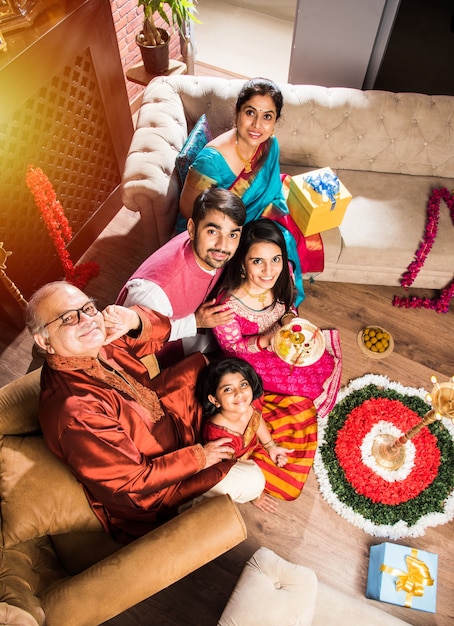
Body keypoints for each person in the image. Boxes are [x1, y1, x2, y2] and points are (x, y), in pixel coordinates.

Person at [25, 281, 265, 544]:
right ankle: (184, 511)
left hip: (161, 420)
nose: (87, 320)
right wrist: (201, 457)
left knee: (217, 369)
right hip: (154, 490)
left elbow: (152, 338)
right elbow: (134, 482)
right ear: (43, 340)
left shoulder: (98, 341)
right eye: (69, 318)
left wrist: (135, 319)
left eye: (88, 308)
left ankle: (214, 444)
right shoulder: (75, 411)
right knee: (254, 480)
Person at [178, 77, 324, 306]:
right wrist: (234, 232)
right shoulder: (211, 161)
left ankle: (279, 307)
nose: (257, 125)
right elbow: (187, 208)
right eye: (250, 112)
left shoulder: (269, 144)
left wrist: (263, 224)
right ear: (237, 112)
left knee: (282, 241)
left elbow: (272, 191)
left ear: (275, 121)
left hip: (257, 217)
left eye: (267, 116)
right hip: (219, 230)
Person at [210, 218, 342, 419]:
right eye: (257, 261)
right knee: (295, 384)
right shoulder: (226, 306)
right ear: (242, 264)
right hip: (251, 355)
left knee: (312, 359)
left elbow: (288, 305)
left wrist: (289, 319)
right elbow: (232, 348)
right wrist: (266, 340)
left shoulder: (283, 272)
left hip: (283, 337)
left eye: (275, 259)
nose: (269, 271)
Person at [116, 187, 246, 366]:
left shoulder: (209, 250)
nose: (223, 246)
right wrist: (196, 321)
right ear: (191, 229)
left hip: (194, 328)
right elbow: (131, 346)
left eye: (232, 234)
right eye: (212, 232)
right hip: (153, 359)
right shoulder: (155, 293)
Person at [197, 357, 293, 512]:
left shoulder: (248, 404)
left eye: (243, 384)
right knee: (287, 487)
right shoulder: (218, 434)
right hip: (236, 465)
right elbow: (229, 471)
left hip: (253, 447)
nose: (240, 393)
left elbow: (256, 419)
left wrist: (271, 446)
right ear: (214, 400)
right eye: (228, 389)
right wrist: (255, 495)